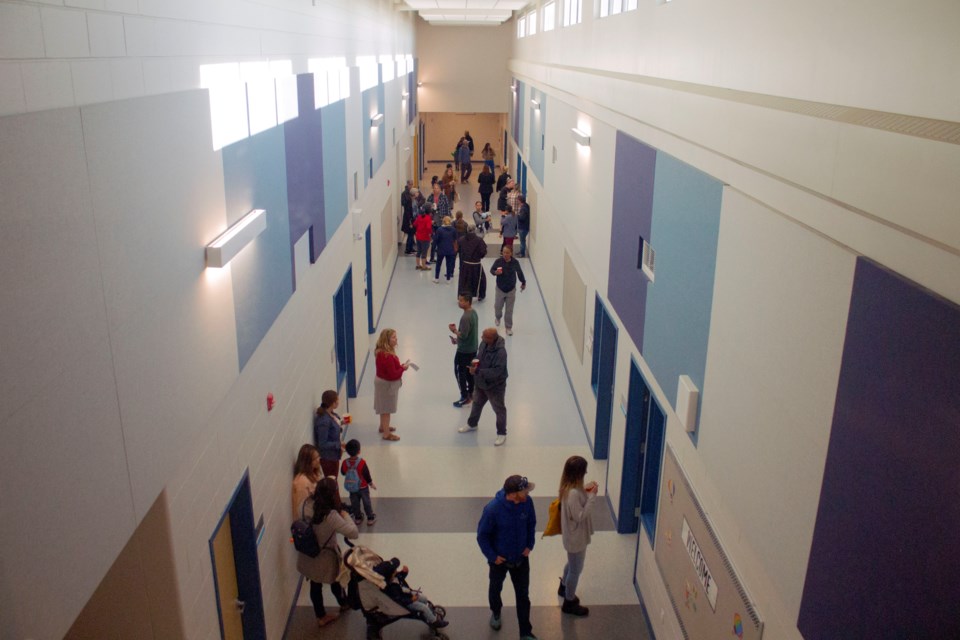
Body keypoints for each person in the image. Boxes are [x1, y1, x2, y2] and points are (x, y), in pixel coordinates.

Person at [477, 475, 538, 640]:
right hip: (499, 561)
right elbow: (482, 536)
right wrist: (492, 556)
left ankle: (525, 632)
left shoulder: (527, 502)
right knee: (495, 589)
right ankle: (496, 612)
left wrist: (529, 544)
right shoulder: (493, 509)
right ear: (513, 493)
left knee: (523, 596)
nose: (527, 493)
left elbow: (531, 523)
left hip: (521, 559)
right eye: (524, 491)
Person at [296, 477, 359, 628]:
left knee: (315, 584)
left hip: (307, 554)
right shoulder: (331, 516)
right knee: (335, 580)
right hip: (325, 557)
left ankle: (321, 616)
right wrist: (345, 516)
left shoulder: (305, 504)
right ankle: (343, 603)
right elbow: (353, 532)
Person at [557, 455, 597, 617]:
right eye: (584, 471)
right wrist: (592, 497)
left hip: (572, 537)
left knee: (572, 563)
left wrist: (586, 490)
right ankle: (569, 600)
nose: (586, 472)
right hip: (576, 538)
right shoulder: (573, 493)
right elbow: (580, 515)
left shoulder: (568, 488)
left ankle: (563, 586)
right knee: (576, 570)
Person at [459, 328, 509, 446]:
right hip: (481, 383)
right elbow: (479, 356)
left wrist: (478, 371)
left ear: (492, 339)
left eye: (484, 337)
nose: (481, 338)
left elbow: (497, 371)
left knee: (499, 409)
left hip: (495, 386)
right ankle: (472, 424)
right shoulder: (484, 344)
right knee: (476, 404)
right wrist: (474, 362)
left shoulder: (501, 352)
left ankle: (502, 433)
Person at [372, 557, 449, 629]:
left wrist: (404, 572)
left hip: (406, 594)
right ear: (390, 574)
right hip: (406, 603)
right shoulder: (392, 588)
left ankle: (429, 613)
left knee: (423, 598)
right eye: (395, 570)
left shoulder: (394, 577)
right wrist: (411, 599)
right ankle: (434, 621)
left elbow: (400, 577)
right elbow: (399, 600)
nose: (396, 571)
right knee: (423, 607)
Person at [374, 328, 408, 440]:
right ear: (387, 340)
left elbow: (391, 369)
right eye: (393, 337)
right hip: (386, 385)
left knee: (382, 406)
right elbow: (393, 375)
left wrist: (400, 366)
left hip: (381, 382)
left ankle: (382, 426)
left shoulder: (380, 352)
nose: (396, 339)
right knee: (386, 410)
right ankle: (386, 434)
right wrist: (403, 368)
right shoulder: (387, 356)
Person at [450, 294, 479, 407]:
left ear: (468, 302)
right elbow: (470, 334)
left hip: (464, 351)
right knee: (469, 372)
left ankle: (464, 396)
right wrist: (457, 340)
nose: (459, 302)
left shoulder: (465, 317)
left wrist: (454, 331)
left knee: (459, 372)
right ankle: (471, 394)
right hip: (472, 348)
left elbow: (464, 335)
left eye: (461, 300)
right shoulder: (474, 313)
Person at [491, 246, 526, 336]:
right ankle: (498, 317)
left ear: (511, 253)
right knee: (498, 307)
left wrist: (523, 282)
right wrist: (496, 273)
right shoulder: (498, 261)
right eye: (504, 252)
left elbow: (519, 273)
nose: (505, 254)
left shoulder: (515, 262)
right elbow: (492, 270)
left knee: (509, 310)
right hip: (500, 289)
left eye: (507, 253)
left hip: (511, 290)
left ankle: (508, 327)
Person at [341, 438, 377, 526]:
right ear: (359, 451)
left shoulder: (345, 463)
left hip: (352, 488)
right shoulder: (362, 463)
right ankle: (370, 518)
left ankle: (357, 518)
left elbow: (342, 472)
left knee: (355, 503)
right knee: (366, 502)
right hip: (363, 487)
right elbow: (366, 474)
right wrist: (371, 483)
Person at [313, 390, 345, 479]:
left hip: (334, 454)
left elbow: (333, 427)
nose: (339, 402)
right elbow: (322, 443)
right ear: (333, 403)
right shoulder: (324, 421)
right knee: (332, 482)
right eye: (337, 400)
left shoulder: (331, 414)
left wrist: (341, 423)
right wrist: (339, 444)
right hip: (328, 458)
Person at [291, 444, 321, 520]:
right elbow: (303, 508)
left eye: (318, 456)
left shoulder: (314, 472)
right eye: (315, 459)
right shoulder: (302, 481)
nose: (318, 459)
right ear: (307, 462)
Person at [458, 228, 488, 301]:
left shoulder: (461, 239)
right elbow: (483, 252)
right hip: (476, 264)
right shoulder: (479, 240)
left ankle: (463, 295)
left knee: (464, 280)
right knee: (480, 280)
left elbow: (459, 250)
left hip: (465, 264)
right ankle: (480, 295)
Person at [426, 183, 451, 263]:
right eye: (434, 188)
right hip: (433, 221)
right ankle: (432, 256)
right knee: (434, 240)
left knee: (441, 239)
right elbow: (426, 209)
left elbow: (447, 208)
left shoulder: (444, 197)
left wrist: (448, 219)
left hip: (441, 220)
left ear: (440, 189)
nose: (435, 189)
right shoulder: (430, 197)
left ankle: (441, 254)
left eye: (437, 188)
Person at [433, 216, 458, 284]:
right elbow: (455, 240)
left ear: (443, 221)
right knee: (449, 264)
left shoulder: (439, 229)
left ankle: (436, 278)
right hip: (450, 249)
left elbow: (436, 240)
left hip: (441, 249)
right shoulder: (453, 230)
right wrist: (455, 248)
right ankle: (448, 279)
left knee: (438, 264)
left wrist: (435, 247)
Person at [413, 204, 434, 271]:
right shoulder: (428, 218)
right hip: (425, 237)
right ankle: (424, 266)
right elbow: (428, 228)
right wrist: (430, 233)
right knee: (424, 252)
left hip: (418, 236)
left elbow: (415, 224)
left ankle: (418, 265)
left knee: (419, 251)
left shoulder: (419, 217)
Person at [517, 194, 530, 258]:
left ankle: (522, 253)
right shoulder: (526, 206)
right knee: (522, 240)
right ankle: (521, 251)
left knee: (522, 241)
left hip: (523, 227)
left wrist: (517, 216)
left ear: (520, 201)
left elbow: (522, 218)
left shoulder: (523, 209)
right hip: (524, 227)